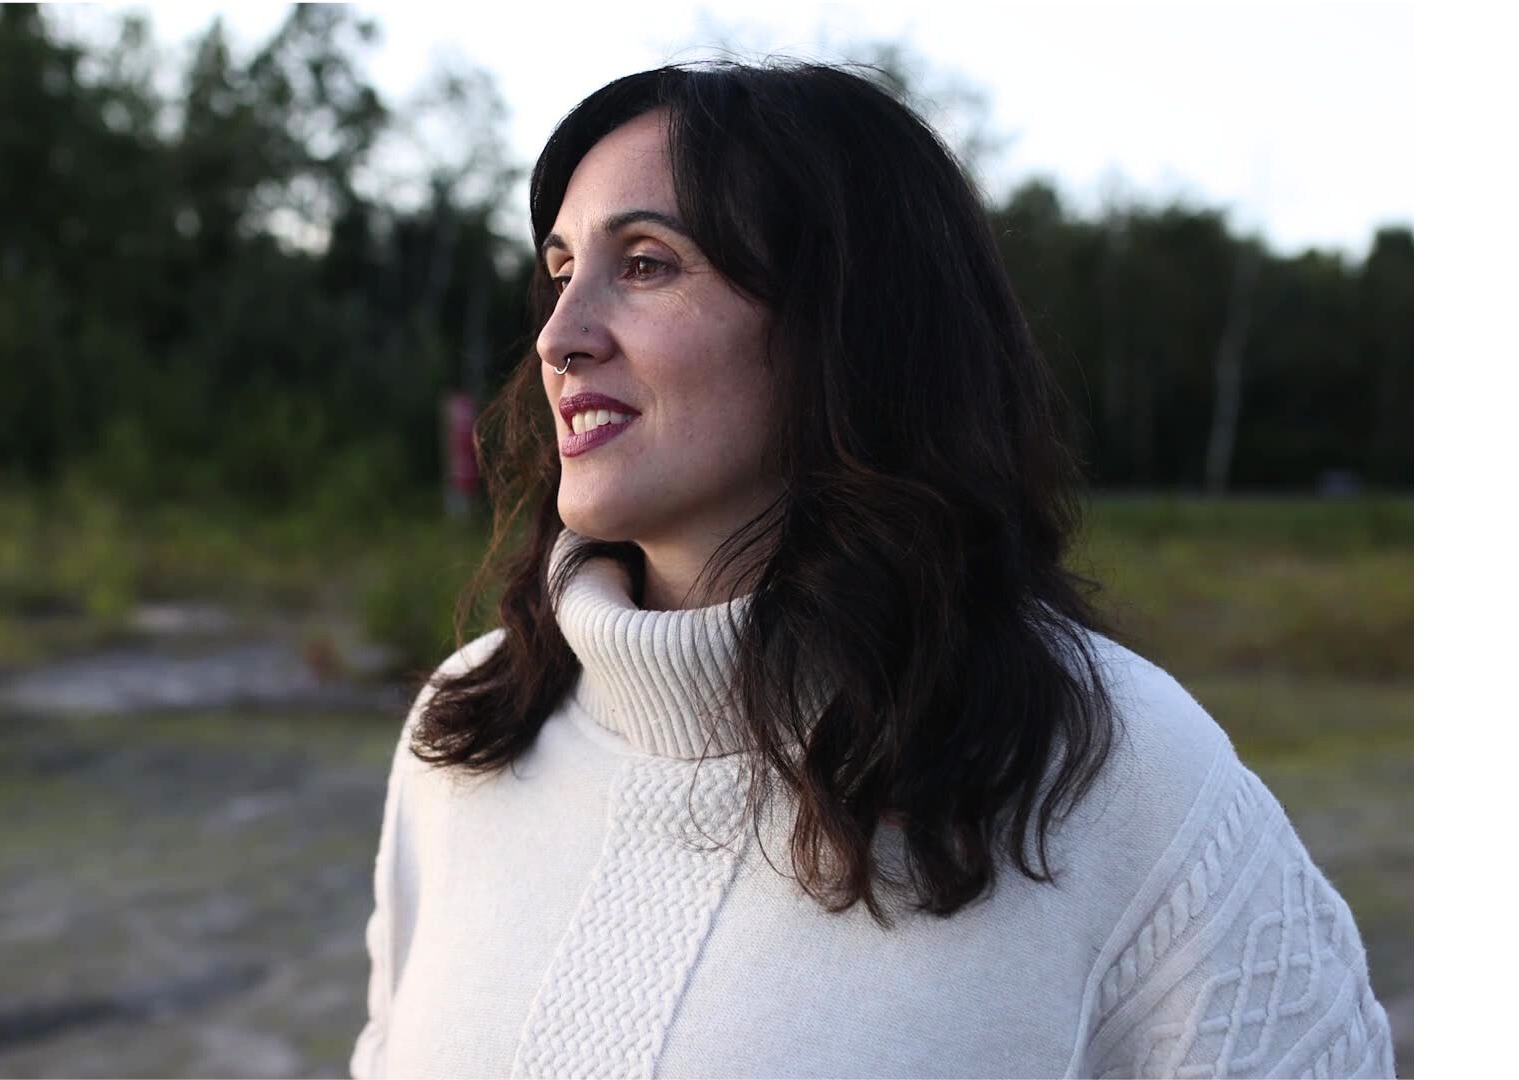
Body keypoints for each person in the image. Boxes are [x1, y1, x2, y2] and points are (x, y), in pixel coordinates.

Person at [349, 62, 1395, 1079]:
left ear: (845, 324)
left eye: (649, 264)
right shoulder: (465, 736)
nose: (559, 337)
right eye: (564, 270)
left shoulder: (1119, 779)